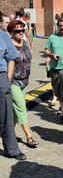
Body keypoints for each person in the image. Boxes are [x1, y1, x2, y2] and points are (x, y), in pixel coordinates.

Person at [7, 20, 38, 148]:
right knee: (21, 108)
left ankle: (9, 134)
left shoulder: (24, 43)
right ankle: (29, 136)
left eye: (22, 30)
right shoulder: (8, 45)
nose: (20, 32)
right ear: (11, 32)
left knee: (15, 112)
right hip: (13, 81)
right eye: (17, 31)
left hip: (25, 81)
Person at [0, 26, 27, 160]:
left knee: (6, 117)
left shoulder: (4, 36)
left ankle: (12, 150)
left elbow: (11, 59)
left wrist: (8, 79)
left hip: (1, 78)